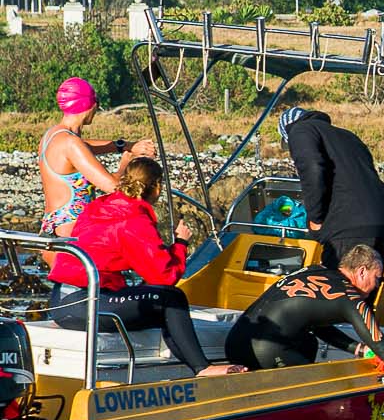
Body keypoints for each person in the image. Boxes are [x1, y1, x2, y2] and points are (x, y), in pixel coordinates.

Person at [45, 157, 244, 377]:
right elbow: (165, 276)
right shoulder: (134, 220)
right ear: (156, 187)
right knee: (172, 298)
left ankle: (180, 369)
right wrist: (180, 243)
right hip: (86, 304)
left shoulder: (100, 205)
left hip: (61, 303)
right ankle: (202, 368)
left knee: (158, 304)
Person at [225, 243, 384, 397]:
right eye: (376, 278)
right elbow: (383, 346)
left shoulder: (313, 270)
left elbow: (312, 323)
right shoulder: (351, 298)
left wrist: (357, 349)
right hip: (265, 349)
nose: (376, 285)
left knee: (308, 342)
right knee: (319, 389)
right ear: (362, 271)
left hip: (235, 341)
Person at [38, 78, 154, 238]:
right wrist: (125, 164)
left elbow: (86, 146)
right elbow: (113, 187)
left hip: (52, 229)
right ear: (89, 104)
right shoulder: (72, 144)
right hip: (70, 236)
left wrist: (125, 145)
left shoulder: (53, 135)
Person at [278, 106, 384, 267]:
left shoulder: (299, 130)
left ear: (286, 132)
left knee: (337, 288)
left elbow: (313, 169)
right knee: (366, 289)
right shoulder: (348, 136)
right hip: (382, 223)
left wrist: (316, 217)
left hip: (347, 229)